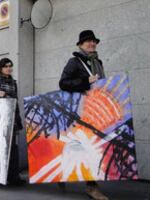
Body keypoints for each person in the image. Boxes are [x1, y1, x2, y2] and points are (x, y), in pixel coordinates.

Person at [58, 30, 108, 200]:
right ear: (80, 45)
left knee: (90, 145)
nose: (91, 44)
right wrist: (85, 82)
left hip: (95, 109)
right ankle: (91, 186)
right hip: (81, 111)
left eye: (93, 41)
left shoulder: (97, 62)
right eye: (87, 41)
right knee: (87, 146)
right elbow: (63, 83)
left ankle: (62, 174)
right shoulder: (75, 62)